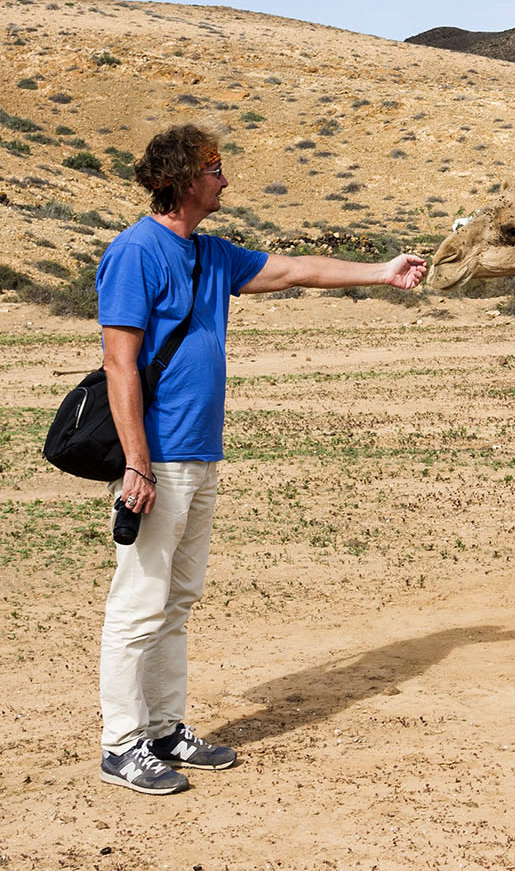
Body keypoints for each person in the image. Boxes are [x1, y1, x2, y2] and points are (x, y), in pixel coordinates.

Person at [93, 123, 426, 795]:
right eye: (215, 168)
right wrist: (136, 462)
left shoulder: (211, 254)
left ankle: (164, 728)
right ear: (185, 178)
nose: (225, 179)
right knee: (139, 602)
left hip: (200, 454)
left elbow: (296, 269)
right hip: (157, 458)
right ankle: (122, 744)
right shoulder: (135, 253)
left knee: (177, 601)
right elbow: (118, 364)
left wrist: (380, 272)